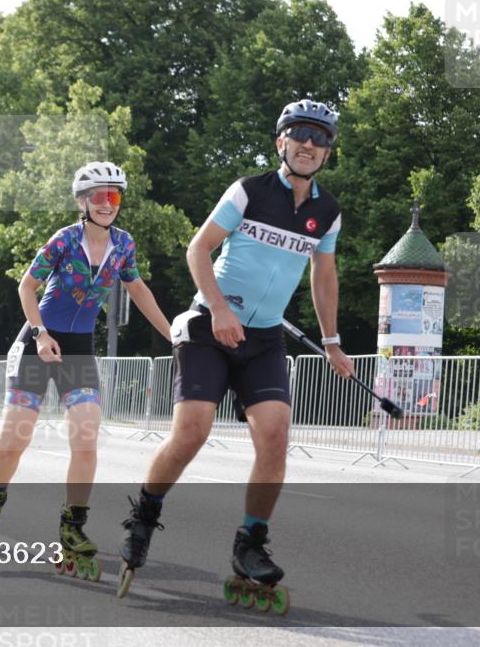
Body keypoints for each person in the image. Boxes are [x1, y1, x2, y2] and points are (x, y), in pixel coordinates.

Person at [116, 100, 355, 601]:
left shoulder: (326, 213)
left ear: (328, 152)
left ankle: (250, 543)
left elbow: (324, 274)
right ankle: (145, 514)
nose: (309, 144)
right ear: (281, 143)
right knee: (192, 433)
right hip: (209, 327)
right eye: (299, 134)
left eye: (319, 138)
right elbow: (197, 249)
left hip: (264, 338)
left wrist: (331, 341)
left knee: (274, 436)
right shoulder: (248, 191)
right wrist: (221, 309)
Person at [0, 161, 172, 579]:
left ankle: (73, 526)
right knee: (13, 443)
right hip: (37, 344)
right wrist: (40, 335)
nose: (107, 203)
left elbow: (138, 289)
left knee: (85, 438)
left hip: (78, 350)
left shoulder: (124, 245)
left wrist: (174, 336)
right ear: (83, 202)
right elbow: (26, 286)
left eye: (114, 196)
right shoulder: (65, 239)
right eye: (98, 196)